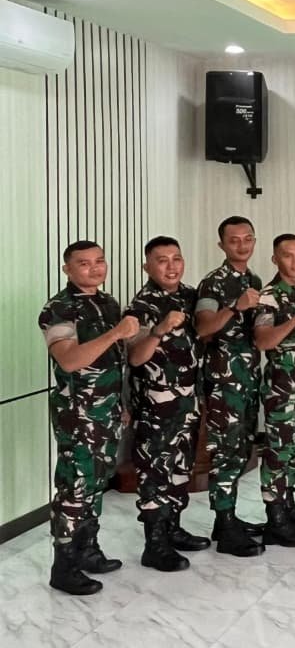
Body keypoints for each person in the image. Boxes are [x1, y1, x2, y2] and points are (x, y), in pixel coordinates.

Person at [39, 240, 137, 595]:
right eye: (84, 263)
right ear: (67, 269)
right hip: (78, 414)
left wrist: (121, 404)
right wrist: (117, 332)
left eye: (100, 261)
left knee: (96, 483)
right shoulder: (58, 309)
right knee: (75, 486)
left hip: (106, 411)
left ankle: (88, 550)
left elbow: (115, 361)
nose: (95, 268)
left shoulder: (108, 303)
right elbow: (69, 360)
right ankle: (63, 565)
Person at [125, 236, 209, 574]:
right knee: (155, 473)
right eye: (162, 260)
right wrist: (158, 330)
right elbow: (135, 357)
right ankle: (154, 544)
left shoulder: (191, 297)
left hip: (187, 403)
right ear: (147, 266)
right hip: (156, 408)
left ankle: (173, 528)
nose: (171, 266)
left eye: (177, 258)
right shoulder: (141, 306)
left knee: (180, 470)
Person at [194, 216, 265, 558]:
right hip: (224, 382)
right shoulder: (213, 284)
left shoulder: (254, 280)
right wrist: (235, 307)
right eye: (234, 240)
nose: (242, 245)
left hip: (248, 379)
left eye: (247, 238)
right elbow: (204, 327)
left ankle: (228, 520)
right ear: (221, 245)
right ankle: (224, 524)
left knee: (240, 450)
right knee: (225, 452)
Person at [253, 234, 295, 547]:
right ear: (275, 259)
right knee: (278, 450)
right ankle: (275, 517)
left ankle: (288, 503)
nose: (294, 261)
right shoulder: (270, 295)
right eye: (287, 255)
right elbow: (263, 340)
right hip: (281, 385)